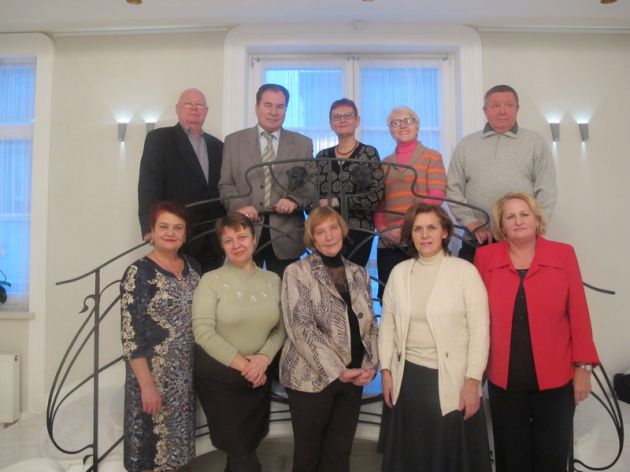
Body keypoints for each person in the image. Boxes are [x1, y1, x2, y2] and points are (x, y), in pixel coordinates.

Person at [475, 192, 599, 472]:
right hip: (504, 381)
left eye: (524, 214)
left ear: (536, 219)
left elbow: (579, 313)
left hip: (556, 380)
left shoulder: (563, 253)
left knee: (551, 458)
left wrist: (583, 367)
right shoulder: (484, 257)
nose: (518, 221)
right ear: (501, 226)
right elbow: (476, 319)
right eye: (510, 216)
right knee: (510, 459)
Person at [378, 203, 491, 472]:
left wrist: (472, 381)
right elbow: (388, 327)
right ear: (411, 234)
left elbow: (480, 331)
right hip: (407, 379)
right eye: (418, 229)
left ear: (445, 232)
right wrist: (386, 371)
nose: (425, 235)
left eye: (431, 228)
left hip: (452, 380)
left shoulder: (465, 272)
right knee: (411, 458)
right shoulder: (399, 272)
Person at [280, 206, 379, 472]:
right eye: (320, 232)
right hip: (311, 379)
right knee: (308, 456)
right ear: (312, 238)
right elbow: (300, 327)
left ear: (342, 230)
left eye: (333, 228)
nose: (329, 236)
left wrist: (371, 365)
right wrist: (338, 371)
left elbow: (370, 323)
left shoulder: (359, 273)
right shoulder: (297, 271)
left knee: (339, 453)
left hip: (354, 377)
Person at [192, 212, 285, 472]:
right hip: (220, 376)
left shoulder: (273, 280)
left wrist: (263, 358)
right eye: (228, 240)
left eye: (242, 237)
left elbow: (281, 328)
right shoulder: (210, 281)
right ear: (222, 246)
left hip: (257, 377)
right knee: (242, 452)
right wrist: (246, 366)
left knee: (245, 445)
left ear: (254, 239)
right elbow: (202, 332)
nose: (236, 244)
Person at [120, 201, 201, 472]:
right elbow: (131, 336)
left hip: (184, 381)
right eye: (163, 226)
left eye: (178, 227)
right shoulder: (138, 273)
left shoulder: (193, 266)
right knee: (149, 455)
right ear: (151, 232)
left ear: (186, 234)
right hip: (151, 379)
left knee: (179, 455)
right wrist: (147, 386)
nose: (170, 233)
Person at [447, 84, 557, 262]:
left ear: (517, 109)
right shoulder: (466, 145)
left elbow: (547, 190)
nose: (502, 111)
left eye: (509, 105)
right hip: (476, 239)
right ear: (485, 110)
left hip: (521, 240)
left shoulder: (535, 143)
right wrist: (472, 223)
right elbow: (453, 190)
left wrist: (535, 225)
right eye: (495, 105)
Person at [219, 83, 314, 277]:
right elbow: (225, 184)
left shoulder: (302, 143)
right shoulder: (233, 142)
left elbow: (311, 183)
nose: (273, 112)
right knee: (243, 291)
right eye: (268, 105)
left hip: (287, 236)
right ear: (257, 107)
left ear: (286, 109)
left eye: (280, 106)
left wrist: (294, 200)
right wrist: (240, 206)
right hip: (244, 232)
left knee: (285, 292)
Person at [138, 88, 225, 273]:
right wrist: (148, 225)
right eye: (188, 103)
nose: (194, 108)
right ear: (177, 109)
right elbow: (149, 185)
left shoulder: (218, 146)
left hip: (212, 239)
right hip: (175, 234)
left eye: (199, 104)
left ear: (206, 111)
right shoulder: (159, 139)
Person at [374, 105, 447, 299]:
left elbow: (437, 195)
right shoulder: (384, 163)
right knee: (390, 298)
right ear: (390, 131)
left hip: (422, 238)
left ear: (417, 126)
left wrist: (404, 225)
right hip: (389, 243)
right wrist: (383, 231)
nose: (403, 126)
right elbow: (378, 203)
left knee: (424, 297)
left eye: (408, 121)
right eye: (396, 123)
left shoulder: (432, 157)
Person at [316, 98, 384, 267]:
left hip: (358, 232)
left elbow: (375, 196)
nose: (342, 120)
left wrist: (336, 201)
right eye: (337, 117)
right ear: (331, 123)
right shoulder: (322, 156)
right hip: (325, 232)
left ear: (357, 120)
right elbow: (313, 194)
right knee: (325, 279)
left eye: (347, 115)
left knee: (354, 279)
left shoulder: (368, 153)